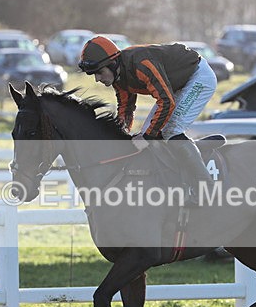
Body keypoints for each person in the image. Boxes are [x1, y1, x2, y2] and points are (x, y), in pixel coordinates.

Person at [78, 35, 216, 204]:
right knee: (148, 133)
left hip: (198, 77)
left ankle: (206, 188)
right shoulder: (118, 78)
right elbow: (125, 109)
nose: (97, 79)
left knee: (170, 131)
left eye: (99, 72)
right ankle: (172, 181)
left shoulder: (141, 64)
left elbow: (166, 102)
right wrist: (121, 137)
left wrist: (147, 137)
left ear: (113, 64)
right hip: (177, 83)